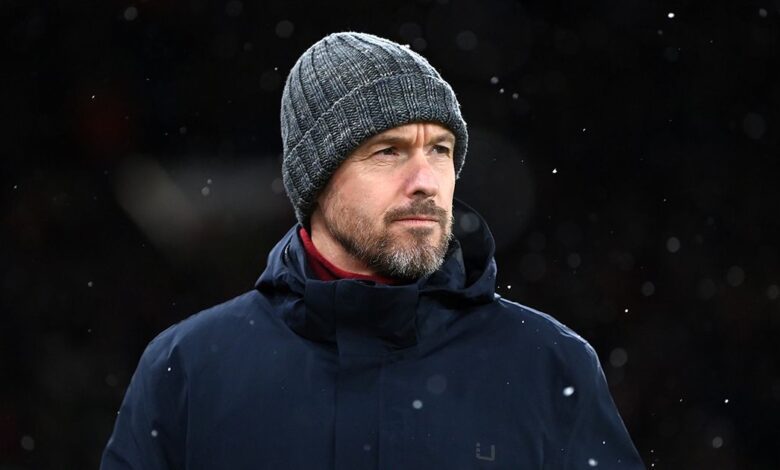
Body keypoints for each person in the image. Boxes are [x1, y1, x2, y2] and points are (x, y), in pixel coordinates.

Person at [101, 32, 644, 469]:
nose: (426, 180)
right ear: (316, 181)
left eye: (441, 150)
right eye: (388, 151)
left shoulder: (549, 364)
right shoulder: (189, 368)